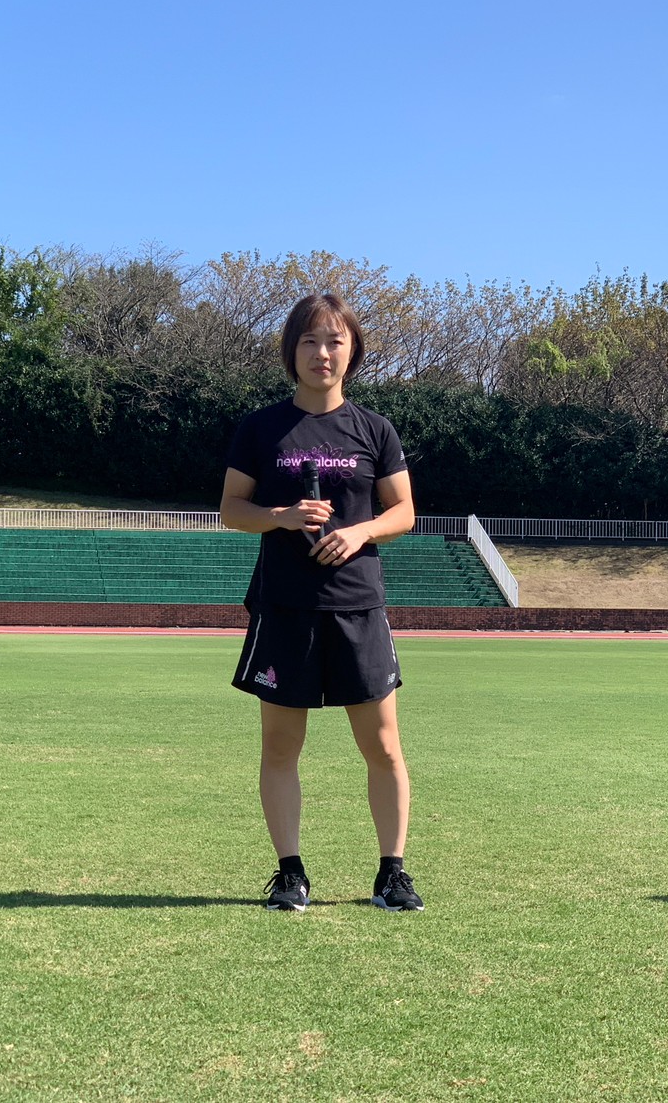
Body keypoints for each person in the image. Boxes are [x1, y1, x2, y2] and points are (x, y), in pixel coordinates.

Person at [220, 292, 423, 913]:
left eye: (335, 341)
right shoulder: (260, 428)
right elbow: (232, 510)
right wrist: (282, 515)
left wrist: (359, 533)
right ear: (292, 351)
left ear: (352, 351)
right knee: (281, 747)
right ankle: (290, 873)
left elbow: (404, 512)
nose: (322, 353)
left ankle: (392, 874)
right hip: (285, 606)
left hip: (357, 605)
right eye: (309, 341)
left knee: (383, 746)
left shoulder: (374, 429)